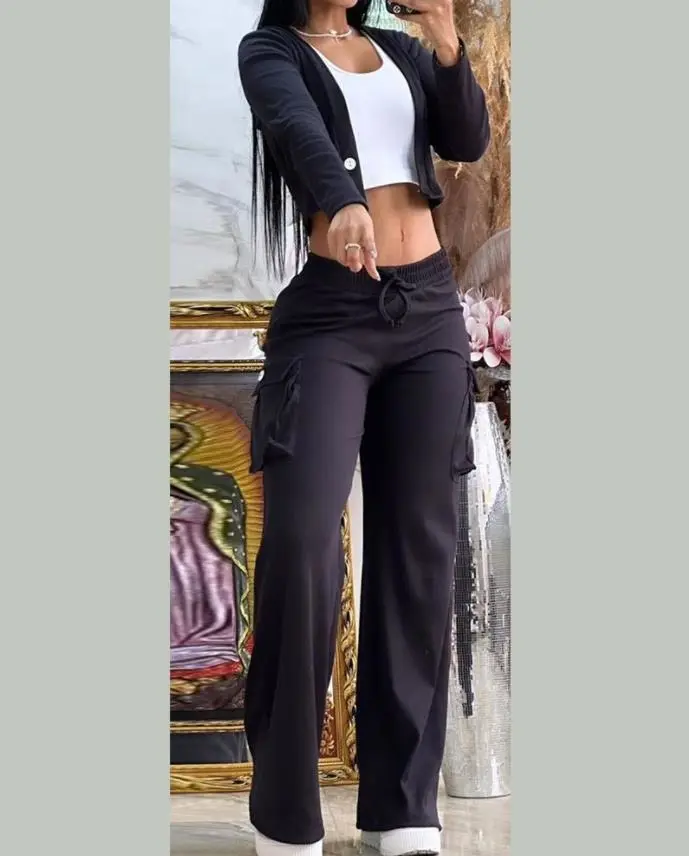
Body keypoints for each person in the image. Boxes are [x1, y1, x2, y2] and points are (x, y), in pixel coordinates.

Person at [238, 2, 489, 854]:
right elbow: (297, 128)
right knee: (302, 545)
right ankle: (284, 814)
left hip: (428, 311)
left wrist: (446, 41)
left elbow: (465, 140)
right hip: (329, 318)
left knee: (419, 551)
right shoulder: (269, 50)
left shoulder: (396, 50)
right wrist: (341, 200)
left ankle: (402, 807)